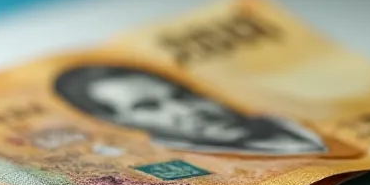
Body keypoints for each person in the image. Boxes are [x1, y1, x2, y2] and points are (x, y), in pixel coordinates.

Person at [54, 64, 327, 156]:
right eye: (149, 106)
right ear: (118, 120)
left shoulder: (287, 119)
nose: (187, 110)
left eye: (182, 95)